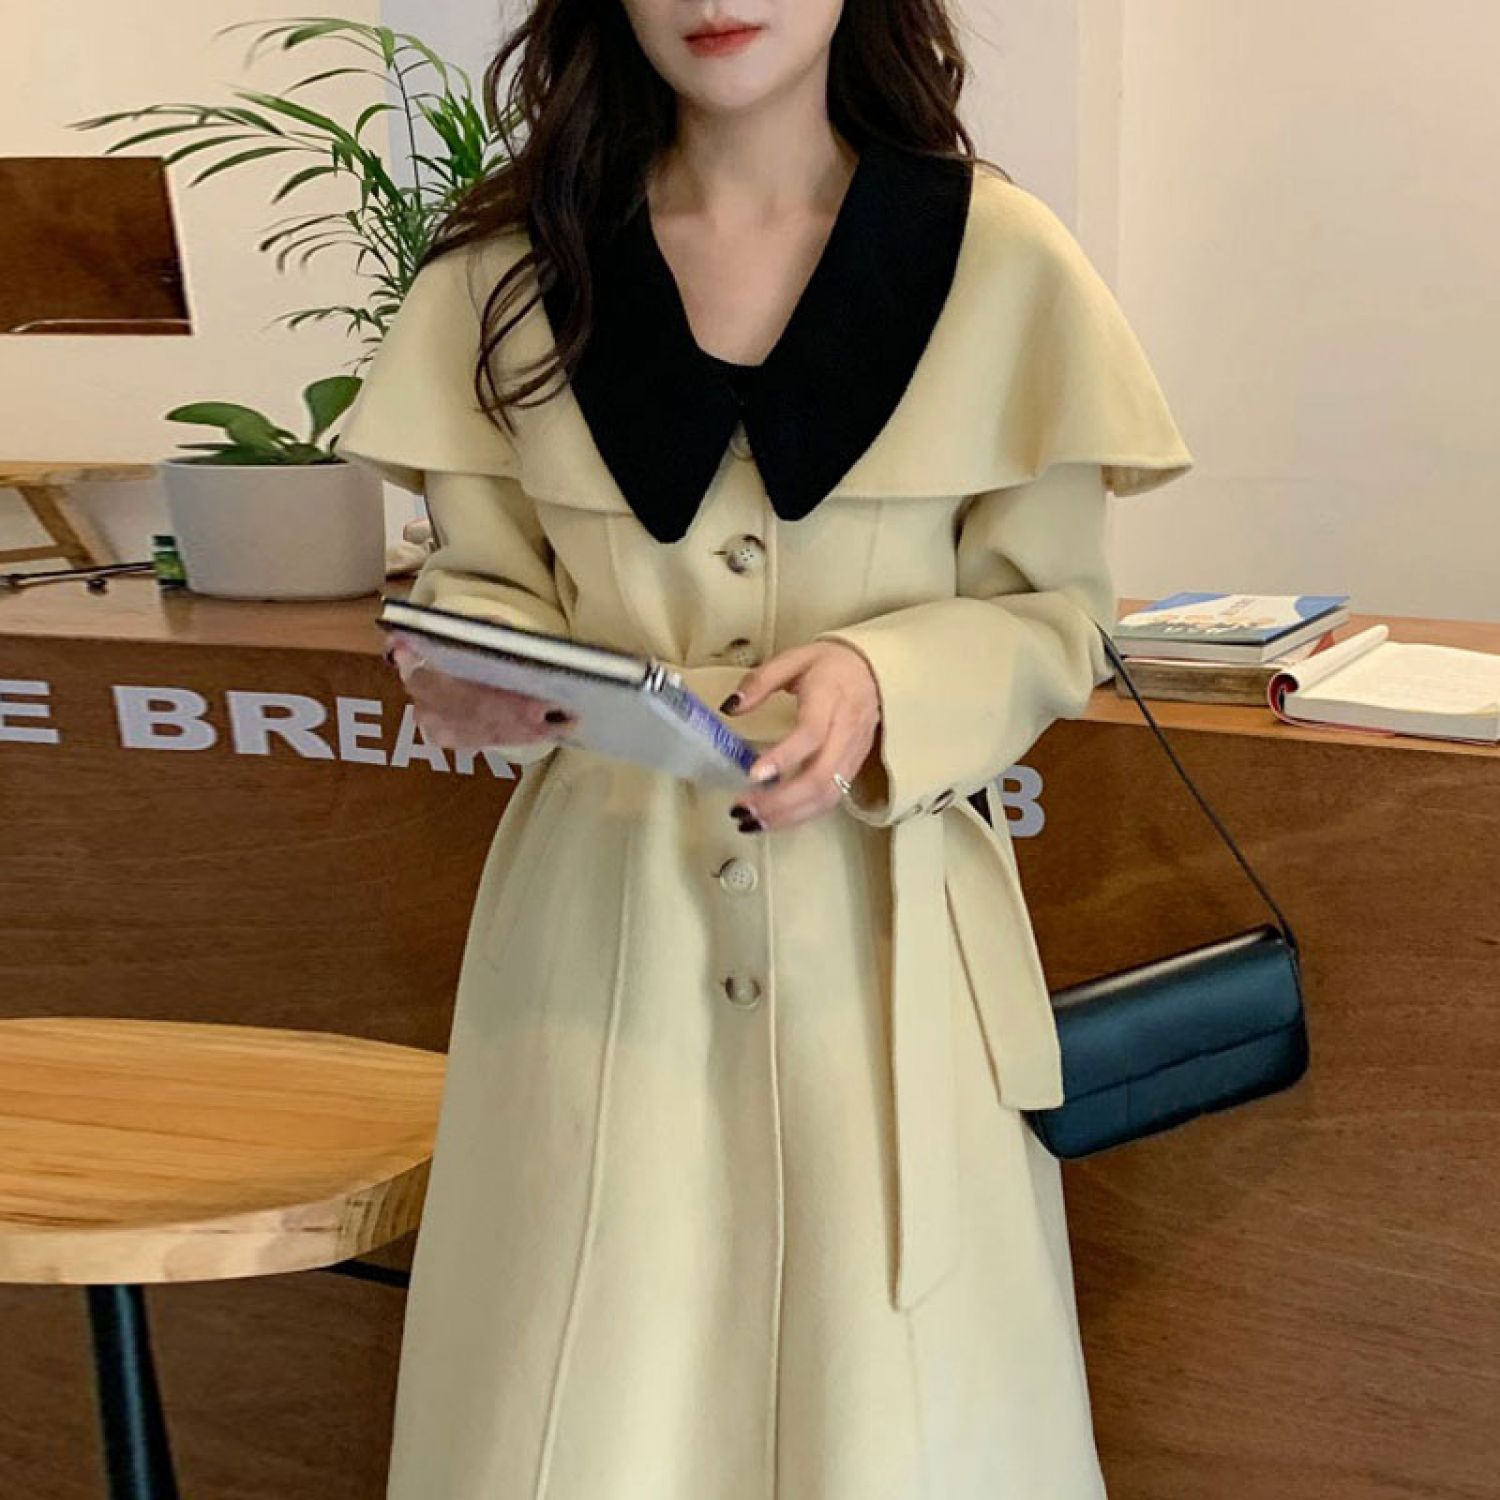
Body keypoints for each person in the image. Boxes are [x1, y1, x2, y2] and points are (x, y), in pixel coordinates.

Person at [337, 2, 1193, 1496]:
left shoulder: (995, 260)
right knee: (585, 1389)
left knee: (893, 1413)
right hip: (600, 929)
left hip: (886, 944)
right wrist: (465, 665)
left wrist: (884, 676)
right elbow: (479, 580)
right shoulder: (513, 271)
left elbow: (1054, 613)